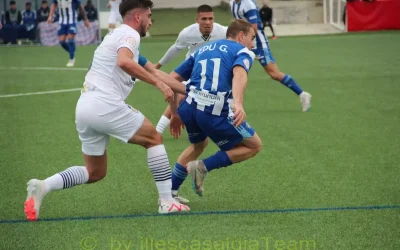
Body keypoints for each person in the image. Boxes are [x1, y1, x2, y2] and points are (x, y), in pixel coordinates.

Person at [24, 0, 189, 222]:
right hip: (104, 102)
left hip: (85, 106)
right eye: (149, 16)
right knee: (154, 138)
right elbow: (124, 62)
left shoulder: (117, 36)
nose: (151, 21)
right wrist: (160, 86)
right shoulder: (130, 35)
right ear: (138, 17)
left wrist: (191, 90)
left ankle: (43, 186)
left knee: (95, 172)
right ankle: (167, 202)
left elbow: (159, 73)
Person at [167, 19, 262, 199]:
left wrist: (174, 113)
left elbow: (171, 79)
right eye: (252, 37)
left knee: (198, 145)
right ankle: (202, 167)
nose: (253, 43)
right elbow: (239, 74)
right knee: (255, 145)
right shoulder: (243, 51)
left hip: (188, 108)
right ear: (241, 36)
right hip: (213, 111)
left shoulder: (202, 49)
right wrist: (239, 104)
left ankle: (169, 194)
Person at [153, 4, 228, 135]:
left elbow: (238, 37)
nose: (208, 23)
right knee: (180, 96)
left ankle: (214, 128)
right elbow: (175, 49)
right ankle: (157, 131)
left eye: (211, 19)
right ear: (197, 20)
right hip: (191, 68)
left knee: (218, 99)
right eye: (204, 19)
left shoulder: (222, 31)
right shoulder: (187, 33)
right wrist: (158, 65)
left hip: (211, 71)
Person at [230, 0, 312, 112]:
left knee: (274, 74)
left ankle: (303, 94)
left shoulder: (248, 4)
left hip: (258, 44)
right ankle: (230, 101)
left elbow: (254, 27)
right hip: (242, 42)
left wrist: (248, 44)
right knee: (232, 68)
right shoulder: (232, 3)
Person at [47, 0, 90, 67]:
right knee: (61, 42)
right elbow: (54, 4)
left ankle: (71, 59)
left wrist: (85, 19)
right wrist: (50, 16)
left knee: (70, 40)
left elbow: (80, 7)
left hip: (72, 21)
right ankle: (72, 52)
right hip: (62, 21)